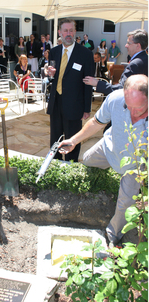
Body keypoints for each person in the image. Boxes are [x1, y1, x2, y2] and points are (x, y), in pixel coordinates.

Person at [59, 74, 148, 247]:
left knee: (125, 203)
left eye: (140, 109)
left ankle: (112, 235)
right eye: (128, 107)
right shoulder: (115, 99)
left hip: (134, 165)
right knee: (87, 160)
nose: (133, 113)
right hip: (109, 146)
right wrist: (74, 140)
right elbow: (96, 122)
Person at [46, 18, 94, 162]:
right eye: (65, 30)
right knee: (54, 138)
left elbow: (88, 83)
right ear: (60, 32)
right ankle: (54, 165)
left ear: (75, 32)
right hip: (56, 103)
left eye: (71, 30)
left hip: (74, 105)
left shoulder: (85, 54)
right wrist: (49, 75)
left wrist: (87, 108)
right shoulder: (53, 52)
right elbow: (51, 77)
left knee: (72, 140)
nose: (68, 34)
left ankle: (70, 168)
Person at [83, 29, 148, 96]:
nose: (126, 46)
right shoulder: (145, 59)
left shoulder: (135, 64)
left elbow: (121, 89)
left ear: (138, 45)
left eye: (128, 43)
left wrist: (97, 83)